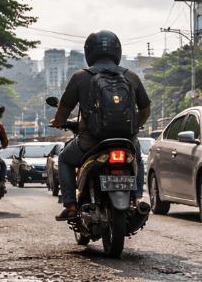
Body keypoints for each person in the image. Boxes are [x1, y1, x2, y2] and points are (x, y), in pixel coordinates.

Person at [50, 29, 152, 221]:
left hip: (90, 142)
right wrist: (133, 128)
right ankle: (138, 199)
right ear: (117, 51)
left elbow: (63, 111)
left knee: (63, 159)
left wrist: (58, 122)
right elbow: (145, 111)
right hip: (126, 141)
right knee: (137, 158)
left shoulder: (80, 77)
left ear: (89, 52)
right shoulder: (131, 76)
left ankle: (71, 206)